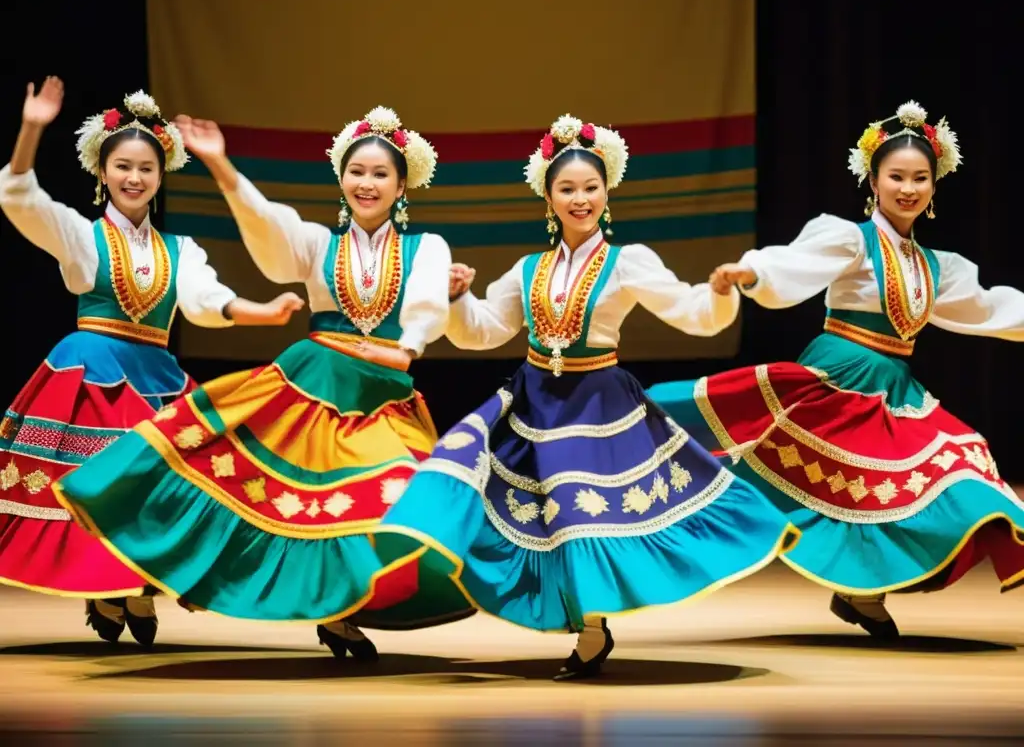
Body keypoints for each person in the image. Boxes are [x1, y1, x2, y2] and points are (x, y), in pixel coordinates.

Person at [371, 114, 800, 680]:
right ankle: (572, 618)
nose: (580, 199)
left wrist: (718, 293)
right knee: (528, 507)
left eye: (590, 188)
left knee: (581, 513)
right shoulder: (529, 270)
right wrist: (458, 297)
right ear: (548, 196)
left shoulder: (629, 262)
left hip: (598, 405)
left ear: (607, 192)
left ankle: (594, 629)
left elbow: (693, 316)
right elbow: (482, 333)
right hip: (533, 401)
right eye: (567, 189)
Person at [54, 106, 474, 661]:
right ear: (341, 178)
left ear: (401, 185)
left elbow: (423, 310)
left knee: (393, 493)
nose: (366, 184)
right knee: (296, 501)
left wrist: (406, 350)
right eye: (357, 172)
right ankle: (333, 616)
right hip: (312, 388)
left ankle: (345, 605)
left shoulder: (427, 248)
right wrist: (222, 166)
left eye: (379, 175)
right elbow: (268, 226)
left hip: (381, 395)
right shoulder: (318, 244)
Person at [646, 100, 1024, 638]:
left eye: (920, 178)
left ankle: (858, 590)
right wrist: (750, 273)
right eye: (897, 177)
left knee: (956, 468)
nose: (908, 188)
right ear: (873, 180)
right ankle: (847, 588)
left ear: (935, 186)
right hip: (840, 378)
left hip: (893, 386)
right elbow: (794, 263)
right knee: (809, 479)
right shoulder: (850, 239)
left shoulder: (937, 267)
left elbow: (987, 307)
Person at [0, 77, 303, 646]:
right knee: (97, 486)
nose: (134, 177)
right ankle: (108, 587)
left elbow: (207, 300)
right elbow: (19, 196)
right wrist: (32, 127)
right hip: (89, 375)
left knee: (156, 487)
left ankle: (135, 588)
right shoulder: (80, 235)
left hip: (154, 376)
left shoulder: (180, 250)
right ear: (102, 172)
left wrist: (262, 311)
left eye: (146, 168)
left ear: (162, 176)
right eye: (123, 166)